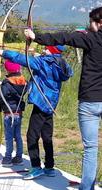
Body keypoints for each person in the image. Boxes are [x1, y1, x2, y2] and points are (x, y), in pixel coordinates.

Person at [24, 6, 102, 189]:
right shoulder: (90, 36)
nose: (88, 26)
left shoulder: (90, 38)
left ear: (99, 23)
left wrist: (36, 37)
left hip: (90, 100)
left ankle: (87, 187)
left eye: (91, 22)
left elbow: (64, 37)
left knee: (91, 149)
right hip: (91, 99)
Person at [0, 45, 73, 180]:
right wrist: (42, 57)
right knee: (47, 137)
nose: (43, 49)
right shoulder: (61, 63)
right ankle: (49, 167)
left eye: (46, 48)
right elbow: (58, 67)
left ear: (51, 51)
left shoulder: (42, 62)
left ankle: (36, 167)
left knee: (32, 136)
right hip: (50, 104)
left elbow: (20, 58)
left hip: (41, 103)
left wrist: (2, 52)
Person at [0, 60, 27, 167]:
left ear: (7, 69)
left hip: (9, 114)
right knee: (17, 135)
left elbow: (1, 97)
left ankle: (8, 158)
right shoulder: (23, 81)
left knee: (9, 137)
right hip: (18, 112)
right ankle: (19, 158)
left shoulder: (6, 83)